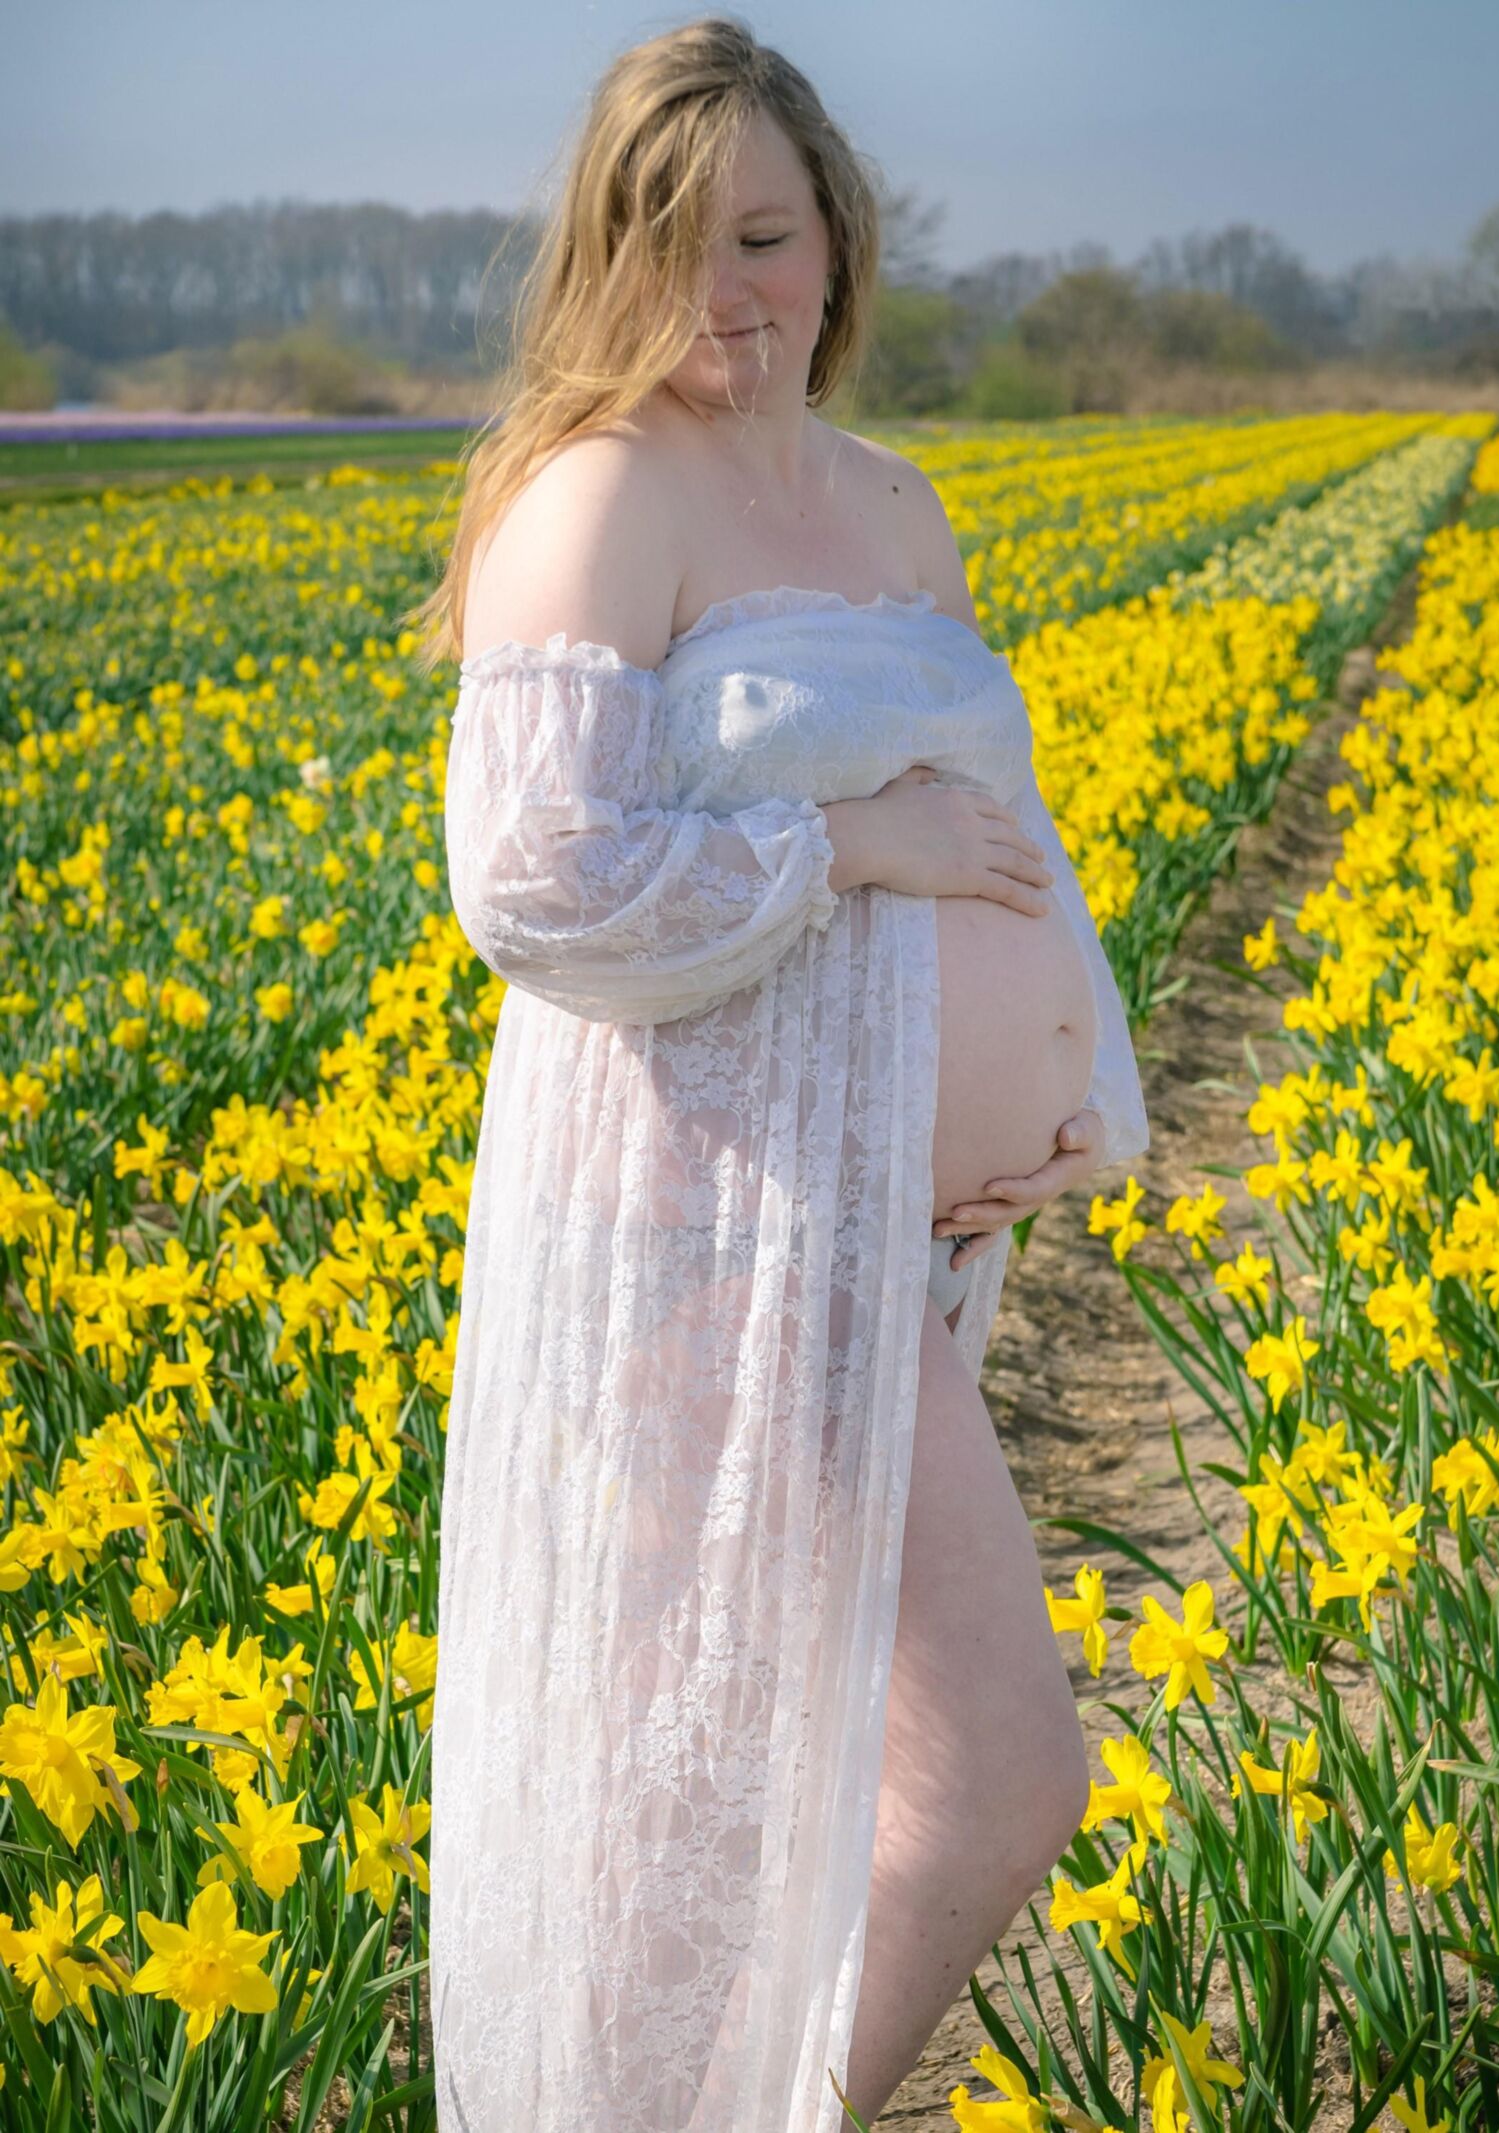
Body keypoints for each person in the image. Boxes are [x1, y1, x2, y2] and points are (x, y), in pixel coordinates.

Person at [411, 19, 1149, 2130]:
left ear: (835, 232)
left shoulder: (892, 506)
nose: (716, 293)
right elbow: (536, 884)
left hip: (874, 1241)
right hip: (689, 1234)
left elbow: (1001, 823)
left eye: (755, 233)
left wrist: (1049, 1093)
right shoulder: (600, 496)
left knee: (842, 1780)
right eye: (660, 245)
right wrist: (841, 850)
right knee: (771, 1787)